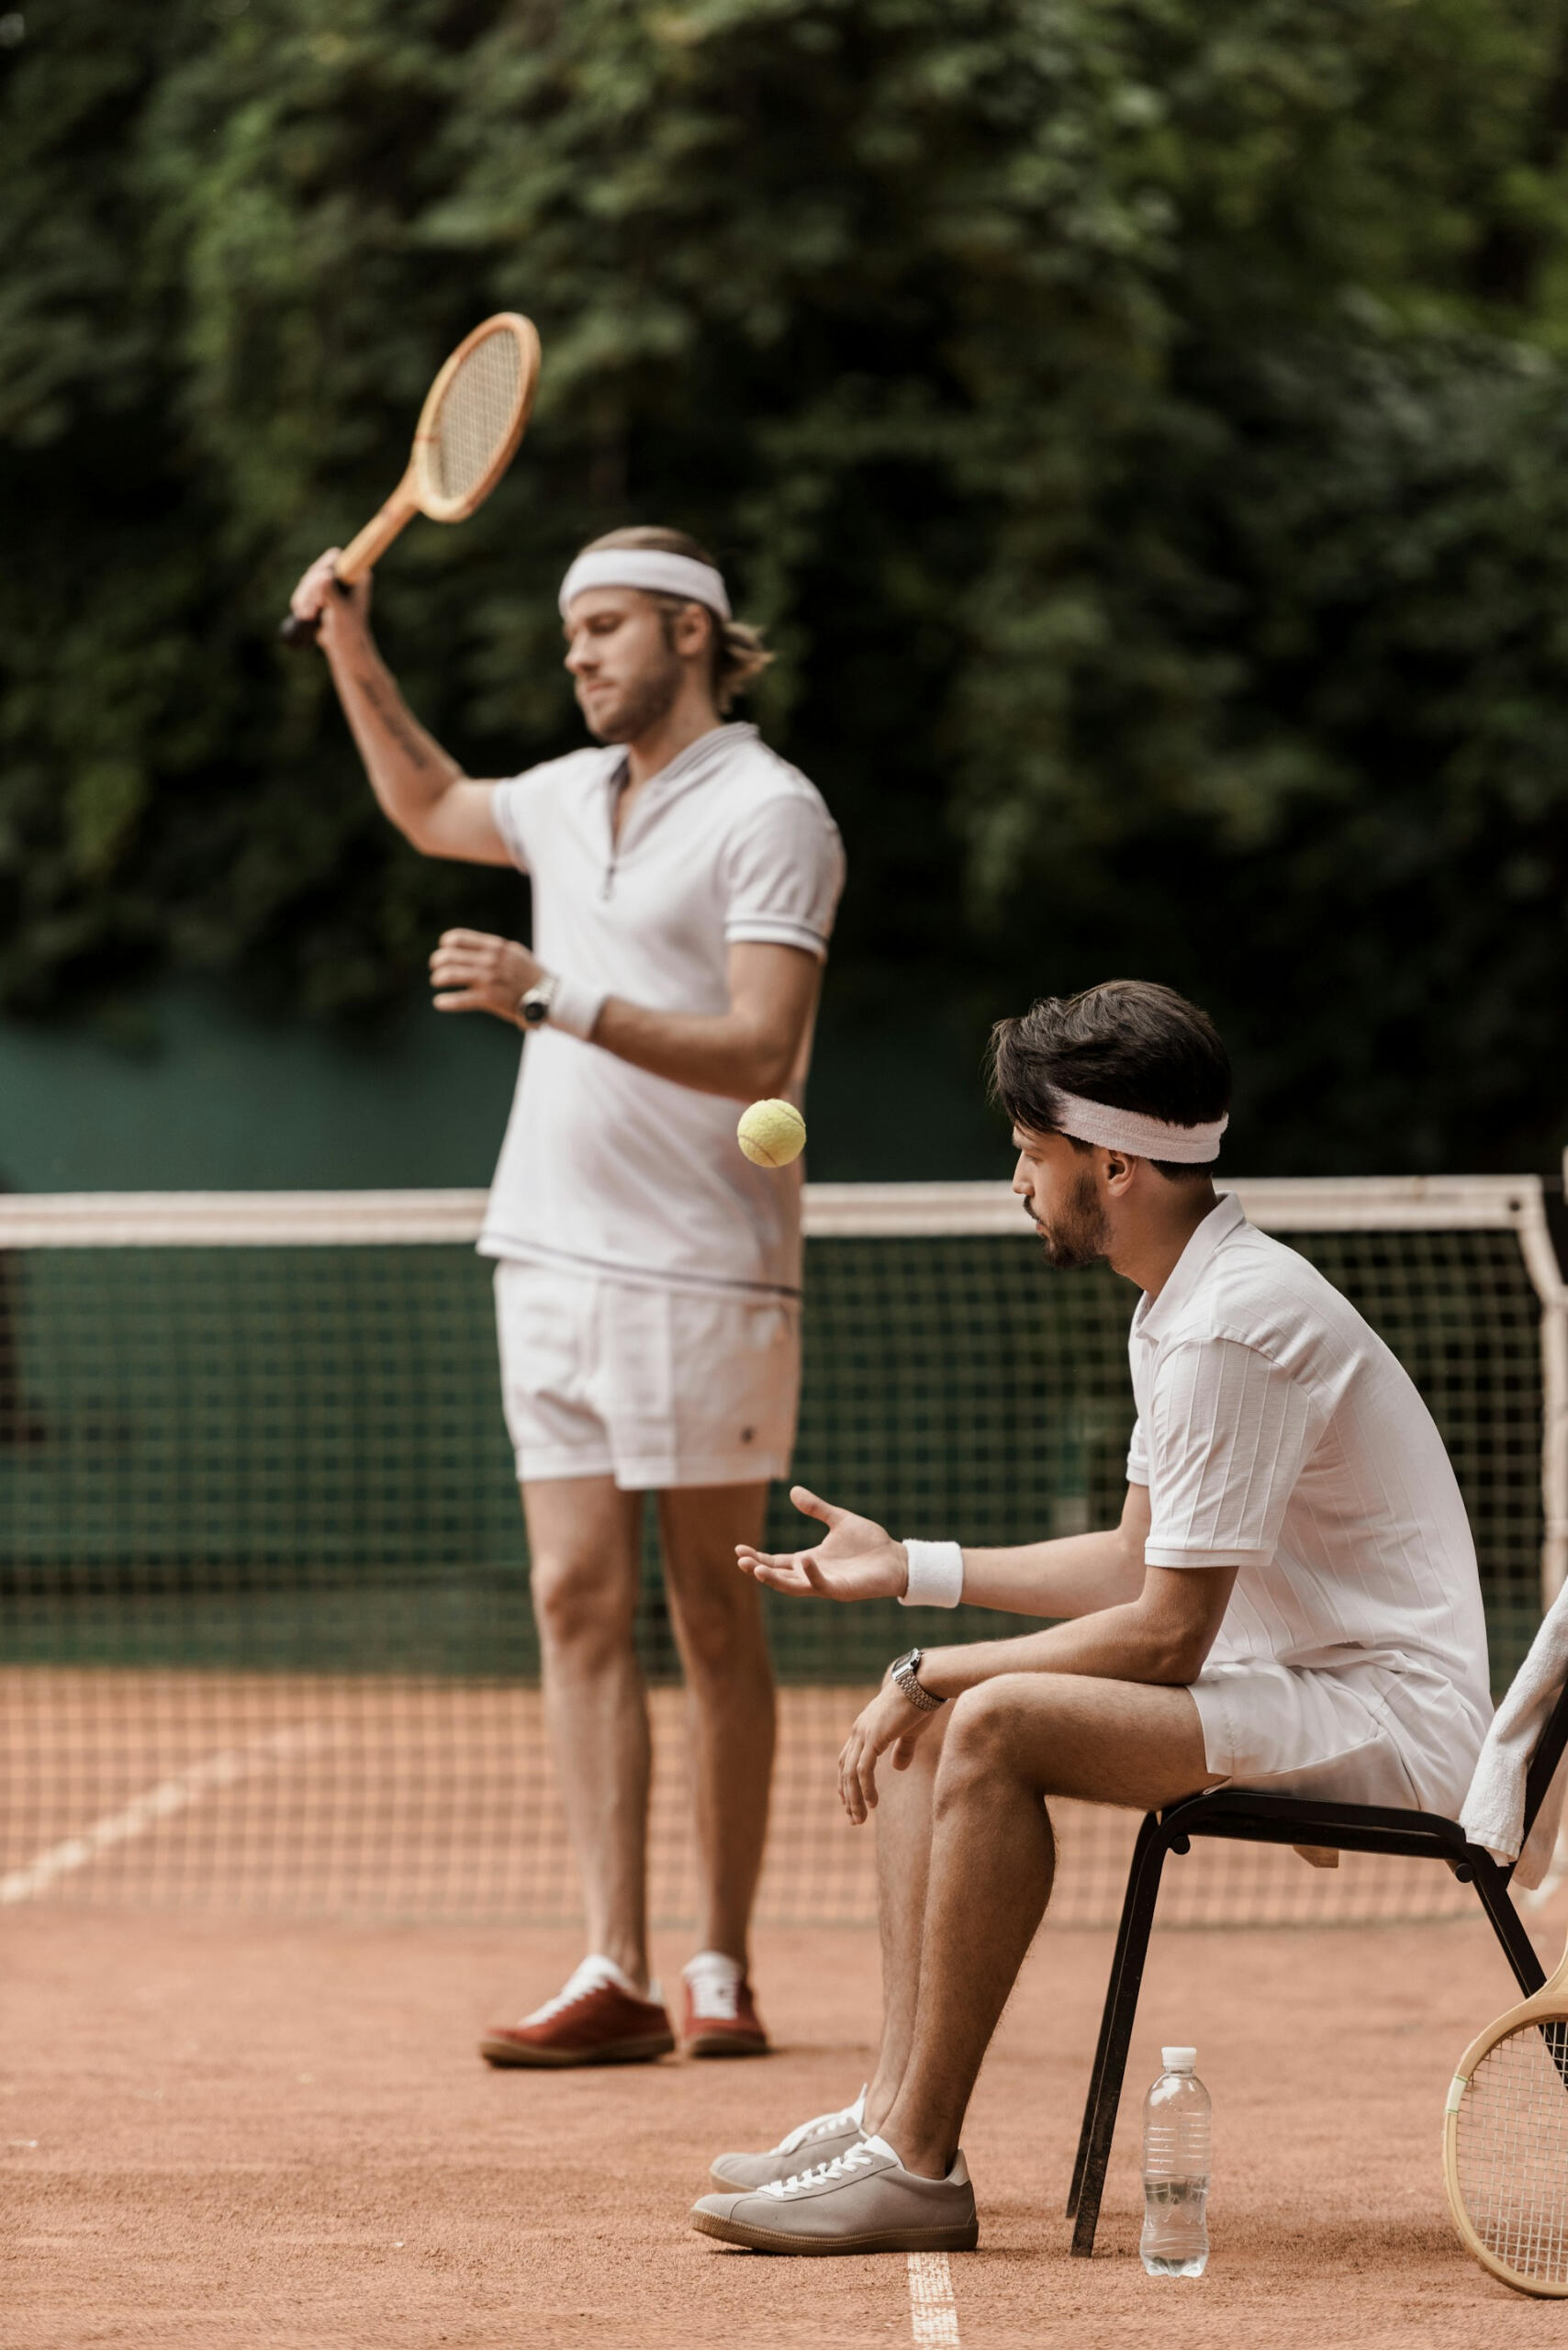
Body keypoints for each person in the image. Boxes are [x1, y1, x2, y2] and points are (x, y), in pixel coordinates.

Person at [690, 979, 1491, 2251]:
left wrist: (935, 1666)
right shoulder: (1175, 1301)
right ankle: (888, 2114)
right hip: (1306, 1685)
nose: (1017, 1179)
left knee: (987, 1719)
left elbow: (1168, 1635)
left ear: (1110, 1165)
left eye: (1030, 1151)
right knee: (935, 1719)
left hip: (1392, 1722)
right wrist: (914, 1574)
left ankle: (917, 2162)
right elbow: (1134, 1562)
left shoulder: (1232, 1325)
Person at [288, 526, 845, 2065]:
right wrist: (350, 638)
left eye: (604, 628)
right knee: (572, 1601)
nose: (579, 655)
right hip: (546, 1256)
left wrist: (554, 995)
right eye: (569, 635)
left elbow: (761, 1048)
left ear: (689, 631)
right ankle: (616, 1966)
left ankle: (722, 1963)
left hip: (705, 1267)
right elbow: (422, 800)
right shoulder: (559, 799)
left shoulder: (771, 809)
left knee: (716, 1617)